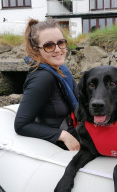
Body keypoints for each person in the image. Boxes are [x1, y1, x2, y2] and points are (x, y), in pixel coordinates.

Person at [14, 18, 80, 151]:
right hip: (61, 144)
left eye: (61, 43)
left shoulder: (60, 70)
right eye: (49, 46)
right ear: (37, 50)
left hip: (78, 129)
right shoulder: (42, 78)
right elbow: (21, 125)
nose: (58, 49)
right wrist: (63, 136)